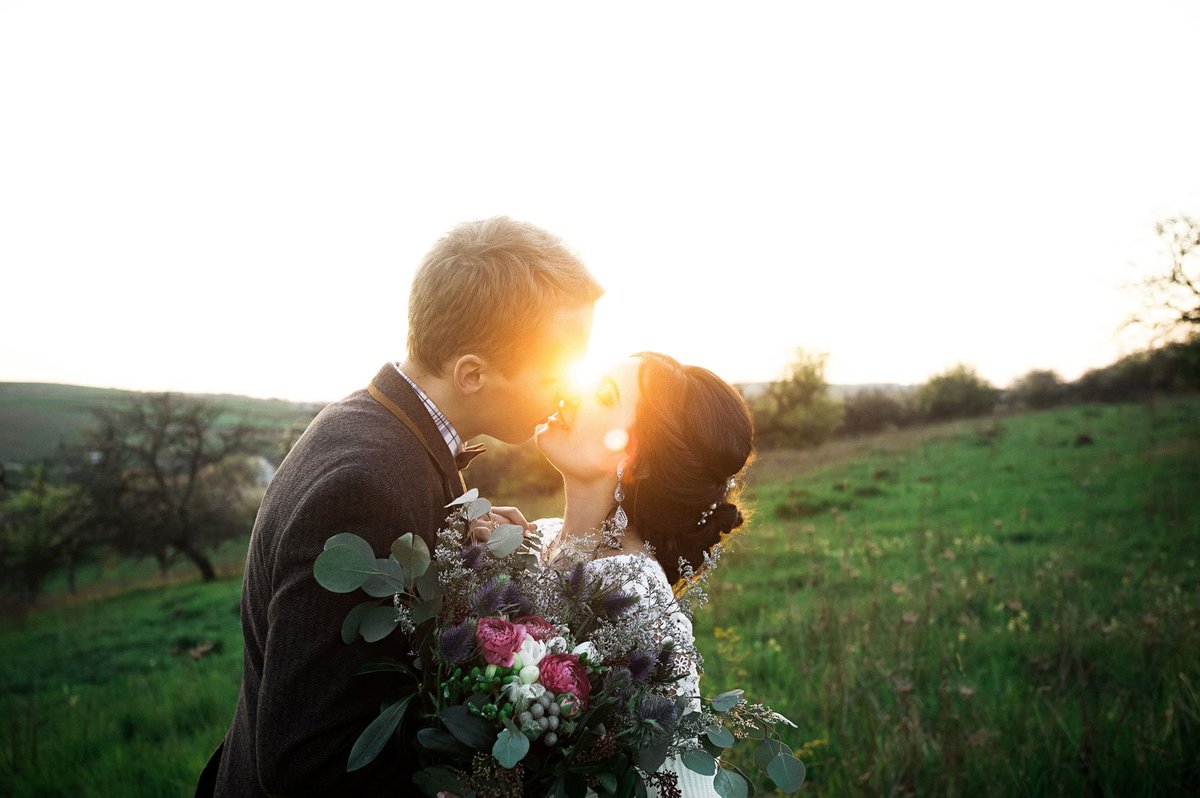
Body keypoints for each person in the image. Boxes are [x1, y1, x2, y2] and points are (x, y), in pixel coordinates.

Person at [197, 217, 602, 797]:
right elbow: (311, 765)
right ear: (472, 373)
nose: (571, 391)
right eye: (558, 369)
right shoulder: (364, 488)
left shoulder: (383, 433)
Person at [533, 352, 754, 797]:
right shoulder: (537, 536)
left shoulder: (636, 594)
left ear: (637, 462)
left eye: (604, 395)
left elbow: (681, 784)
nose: (570, 394)